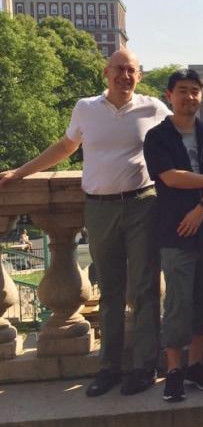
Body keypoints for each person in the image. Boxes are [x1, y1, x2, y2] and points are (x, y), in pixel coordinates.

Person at [0, 49, 170, 397]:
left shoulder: (152, 107)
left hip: (142, 204)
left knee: (144, 288)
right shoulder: (86, 108)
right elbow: (64, 147)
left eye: (132, 71)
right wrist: (21, 171)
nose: (125, 75)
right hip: (99, 208)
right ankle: (108, 367)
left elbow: (185, 130)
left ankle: (144, 365)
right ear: (106, 73)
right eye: (119, 69)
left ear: (139, 75)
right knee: (108, 290)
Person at [143, 68, 203, 402]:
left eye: (195, 91)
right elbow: (171, 178)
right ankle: (174, 371)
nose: (189, 97)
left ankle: (195, 365)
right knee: (178, 303)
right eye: (182, 90)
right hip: (176, 232)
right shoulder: (157, 136)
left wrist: (202, 208)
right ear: (170, 95)